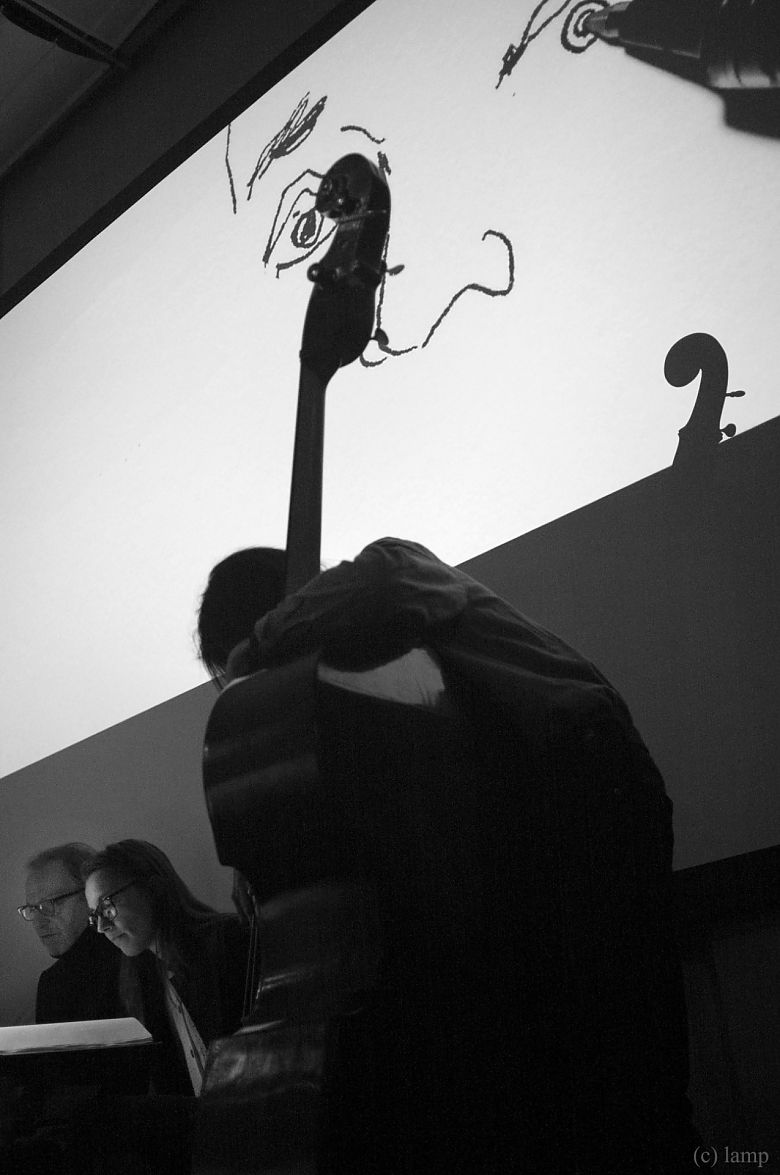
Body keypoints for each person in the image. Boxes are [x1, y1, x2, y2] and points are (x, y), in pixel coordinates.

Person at [196, 535, 701, 1175]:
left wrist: (256, 650)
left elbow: (389, 571)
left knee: (631, 1063)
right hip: (551, 825)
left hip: (590, 781)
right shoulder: (364, 666)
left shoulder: (391, 575)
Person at [19, 842, 121, 1025]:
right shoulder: (54, 981)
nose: (38, 922)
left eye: (50, 904)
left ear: (91, 895)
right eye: (33, 909)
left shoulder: (137, 954)